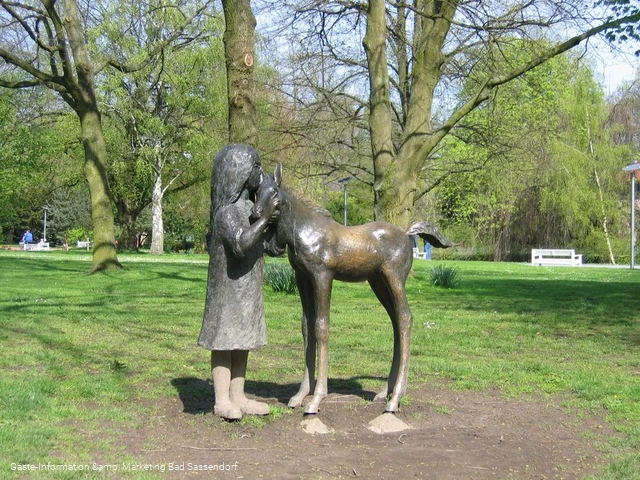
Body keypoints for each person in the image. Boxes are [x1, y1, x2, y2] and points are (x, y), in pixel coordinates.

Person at [198, 144, 279, 420]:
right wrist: (265, 218)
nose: (260, 172)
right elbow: (241, 244)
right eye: (256, 167)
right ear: (242, 173)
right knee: (224, 340)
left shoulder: (248, 207)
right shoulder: (227, 213)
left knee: (242, 339)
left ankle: (238, 395)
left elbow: (265, 244)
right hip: (227, 290)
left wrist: (273, 225)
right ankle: (222, 400)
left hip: (247, 288)